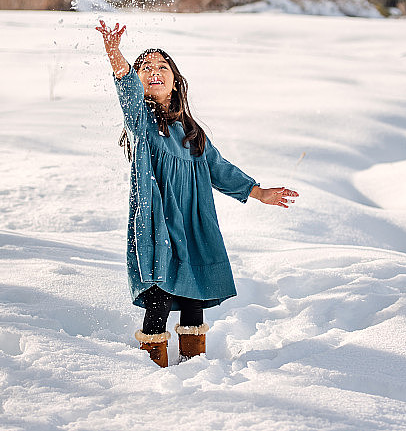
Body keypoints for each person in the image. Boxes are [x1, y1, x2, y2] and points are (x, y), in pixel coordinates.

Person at [96, 20, 298, 367]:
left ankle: (193, 367)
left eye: (163, 67)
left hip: (193, 223)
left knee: (194, 293)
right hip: (159, 221)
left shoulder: (193, 135)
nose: (154, 71)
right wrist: (115, 55)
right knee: (158, 294)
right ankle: (152, 368)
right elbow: (127, 94)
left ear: (176, 84)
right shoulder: (142, 123)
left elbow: (219, 169)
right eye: (146, 67)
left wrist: (258, 191)